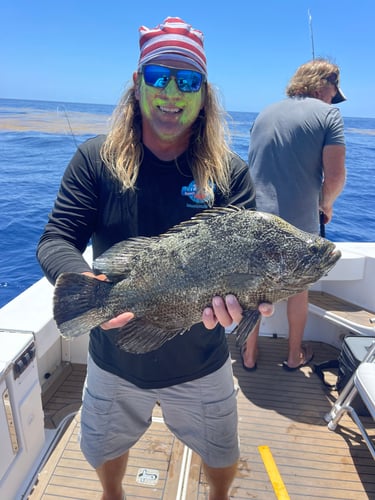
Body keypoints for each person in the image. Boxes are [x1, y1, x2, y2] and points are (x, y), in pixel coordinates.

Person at [37, 17, 273, 500]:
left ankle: (220, 496)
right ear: (137, 85)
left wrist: (253, 301)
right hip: (114, 356)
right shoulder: (95, 159)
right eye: (158, 76)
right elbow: (56, 238)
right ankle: (113, 494)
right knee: (104, 451)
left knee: (222, 454)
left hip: (202, 361)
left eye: (187, 80)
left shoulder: (230, 173)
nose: (172, 91)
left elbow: (250, 259)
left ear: (204, 94)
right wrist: (85, 283)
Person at [241, 58, 346, 372]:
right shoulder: (329, 116)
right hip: (298, 227)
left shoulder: (264, 113)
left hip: (254, 220)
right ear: (321, 85)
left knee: (254, 290)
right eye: (333, 92)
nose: (333, 100)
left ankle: (248, 356)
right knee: (299, 291)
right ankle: (293, 356)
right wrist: (325, 205)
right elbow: (336, 178)